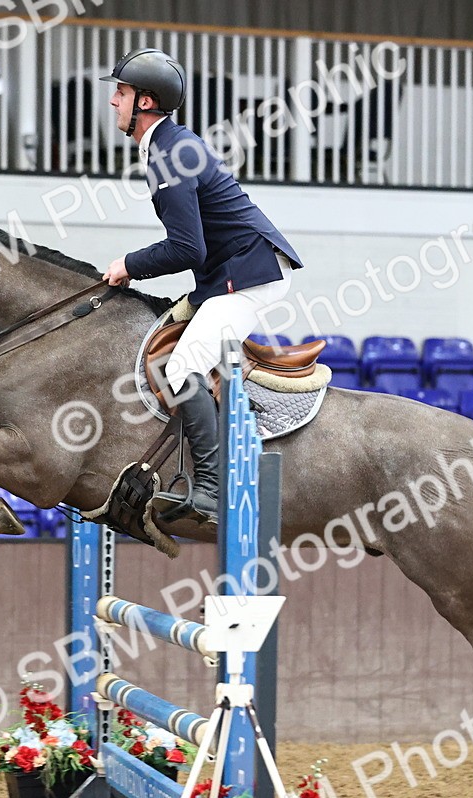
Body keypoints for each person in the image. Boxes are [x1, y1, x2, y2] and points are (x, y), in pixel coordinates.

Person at [100, 48, 303, 526]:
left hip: (251, 273)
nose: (113, 101)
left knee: (183, 364)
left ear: (145, 102)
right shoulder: (168, 146)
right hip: (229, 272)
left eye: (121, 92)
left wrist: (129, 264)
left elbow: (187, 248)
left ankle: (212, 489)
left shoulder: (169, 155)